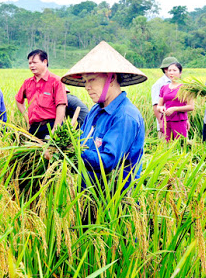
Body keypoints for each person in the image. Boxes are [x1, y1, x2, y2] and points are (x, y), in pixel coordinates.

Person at [61, 41, 147, 192]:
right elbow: (84, 145)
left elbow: (107, 162)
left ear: (111, 78)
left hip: (114, 202)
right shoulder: (94, 110)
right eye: (85, 81)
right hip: (89, 192)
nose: (87, 87)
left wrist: (72, 149)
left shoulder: (125, 116)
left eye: (92, 80)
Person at [15, 49, 67, 140]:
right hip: (34, 128)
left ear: (45, 61)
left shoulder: (56, 81)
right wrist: (26, 117)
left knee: (49, 153)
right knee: (32, 153)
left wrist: (56, 129)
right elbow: (18, 100)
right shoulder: (27, 82)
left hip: (50, 126)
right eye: (30, 63)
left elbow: (61, 105)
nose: (31, 66)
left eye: (34, 62)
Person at [156, 62, 194, 141]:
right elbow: (159, 106)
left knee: (180, 144)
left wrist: (174, 109)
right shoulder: (164, 87)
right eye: (169, 70)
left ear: (180, 73)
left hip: (179, 120)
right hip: (166, 120)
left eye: (174, 70)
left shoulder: (186, 88)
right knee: (167, 144)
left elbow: (191, 107)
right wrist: (161, 108)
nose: (171, 73)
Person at [151, 56, 178, 134]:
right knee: (165, 144)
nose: (173, 72)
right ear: (165, 69)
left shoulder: (178, 83)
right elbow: (156, 105)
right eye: (171, 69)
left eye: (175, 69)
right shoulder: (159, 84)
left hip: (178, 122)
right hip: (165, 122)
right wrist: (160, 122)